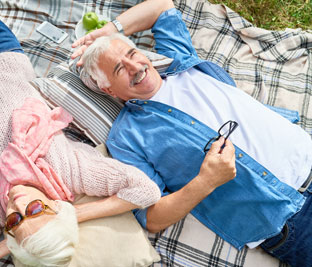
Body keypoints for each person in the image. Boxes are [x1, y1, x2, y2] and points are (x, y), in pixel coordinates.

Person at [0, 0, 168, 266]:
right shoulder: (72, 172)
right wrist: (73, 214)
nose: (18, 205)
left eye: (15, 221)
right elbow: (145, 190)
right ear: (57, 210)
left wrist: (3, 248)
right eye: (35, 211)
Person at [71, 0, 312, 266]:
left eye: (131, 53)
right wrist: (206, 181)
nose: (135, 67)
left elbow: (161, 6)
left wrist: (107, 30)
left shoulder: (178, 61)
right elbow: (152, 216)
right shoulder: (127, 137)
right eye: (119, 69)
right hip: (289, 218)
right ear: (109, 90)